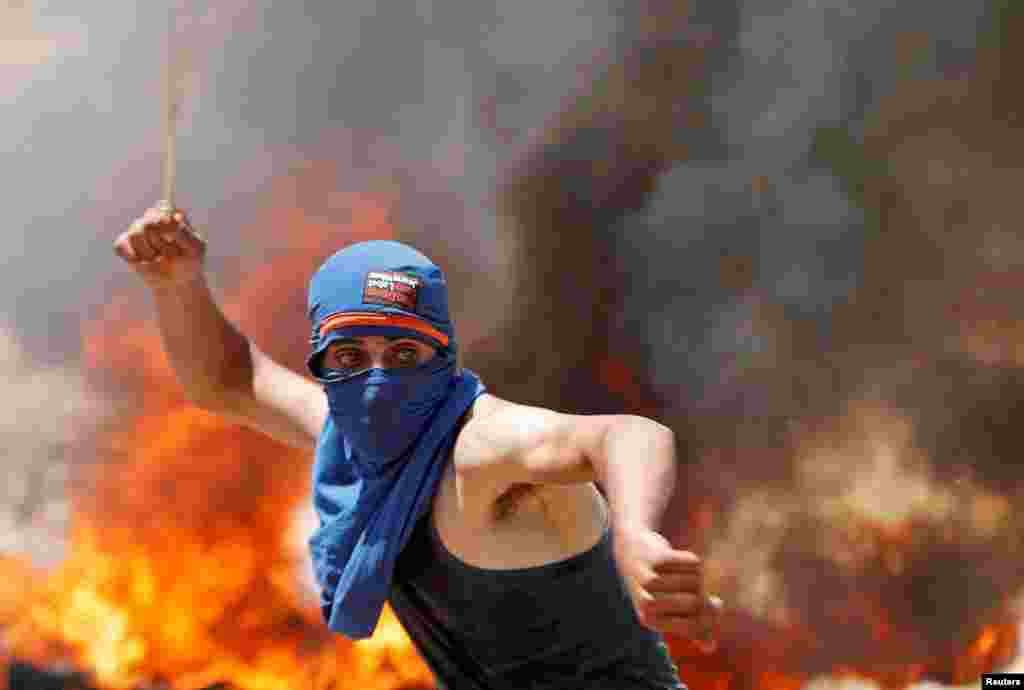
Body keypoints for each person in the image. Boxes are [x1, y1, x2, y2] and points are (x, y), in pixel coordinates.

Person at [114, 203, 722, 689]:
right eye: (351, 356)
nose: (378, 381)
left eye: (405, 353)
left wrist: (635, 534)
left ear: (445, 358)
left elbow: (624, 434)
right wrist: (178, 286)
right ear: (325, 365)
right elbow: (227, 380)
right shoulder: (348, 436)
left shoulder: (481, 449)